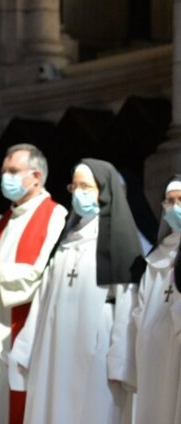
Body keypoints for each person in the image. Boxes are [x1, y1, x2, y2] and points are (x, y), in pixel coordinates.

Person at [12, 159, 140, 424]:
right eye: (75, 186)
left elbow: (127, 305)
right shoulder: (66, 241)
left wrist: (120, 361)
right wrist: (25, 348)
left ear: (104, 191)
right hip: (53, 345)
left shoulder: (118, 243)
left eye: (86, 186)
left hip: (97, 346)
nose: (78, 193)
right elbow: (43, 297)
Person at [0, 143, 66, 424]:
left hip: (26, 325)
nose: (6, 177)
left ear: (36, 177)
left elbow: (45, 272)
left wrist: (1, 271)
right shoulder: (4, 221)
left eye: (13, 171)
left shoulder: (53, 215)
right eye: (4, 171)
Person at [126, 177, 181, 422]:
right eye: (169, 202)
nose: (174, 207)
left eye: (180, 200)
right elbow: (139, 309)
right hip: (150, 352)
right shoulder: (155, 256)